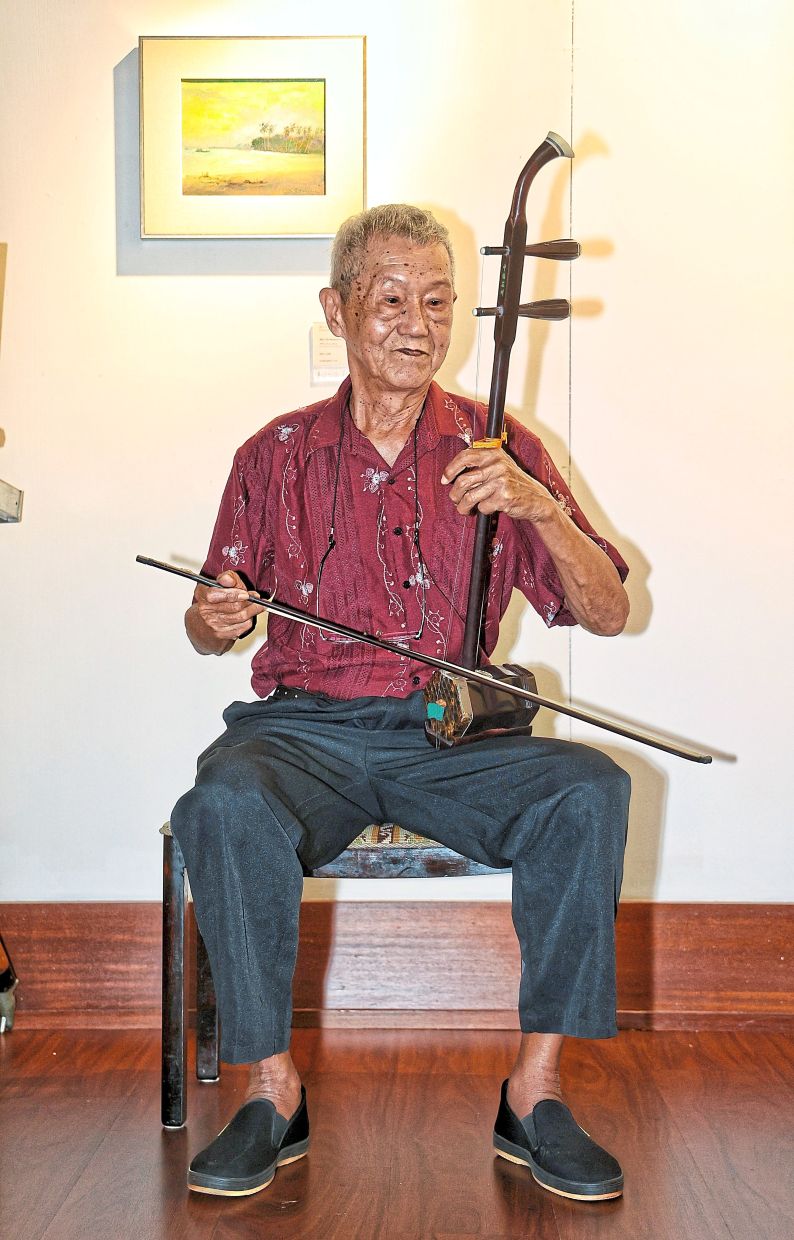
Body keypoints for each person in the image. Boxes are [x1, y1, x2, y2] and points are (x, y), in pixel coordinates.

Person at [171, 203, 632, 1203]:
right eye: (388, 300)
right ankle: (270, 1093)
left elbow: (605, 608)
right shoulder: (273, 455)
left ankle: (536, 1092)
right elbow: (212, 624)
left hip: (451, 730)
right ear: (335, 309)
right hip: (303, 733)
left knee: (587, 787)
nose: (415, 324)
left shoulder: (498, 450)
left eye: (435, 301)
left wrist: (537, 507)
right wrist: (212, 616)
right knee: (221, 801)